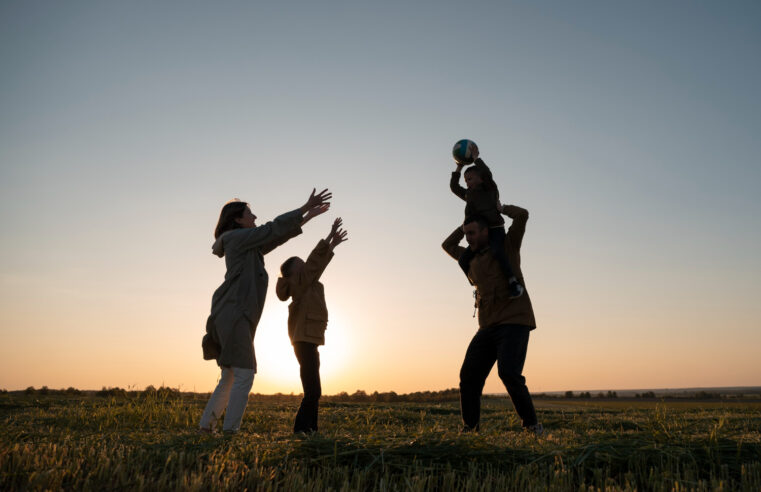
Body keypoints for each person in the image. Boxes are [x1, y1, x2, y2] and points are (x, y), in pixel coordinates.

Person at [199, 188, 332, 434]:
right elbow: (272, 229)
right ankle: (230, 432)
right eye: (250, 214)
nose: (255, 217)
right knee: (245, 373)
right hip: (234, 313)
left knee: (230, 373)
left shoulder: (248, 246)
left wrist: (308, 217)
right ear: (237, 220)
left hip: (234, 313)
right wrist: (304, 207)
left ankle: (206, 427)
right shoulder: (238, 239)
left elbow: (277, 236)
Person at [442, 208, 542, 435]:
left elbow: (523, 215)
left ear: (486, 232)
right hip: (487, 326)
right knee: (469, 376)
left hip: (515, 320)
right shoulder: (469, 256)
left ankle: (532, 426)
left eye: (473, 233)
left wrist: (499, 209)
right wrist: (463, 225)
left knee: (508, 372)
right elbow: (447, 245)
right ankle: (470, 428)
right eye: (466, 234)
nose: (468, 238)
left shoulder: (508, 246)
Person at [275, 217, 348, 433]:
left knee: (314, 391)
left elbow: (317, 266)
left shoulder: (306, 282)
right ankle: (301, 431)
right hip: (303, 340)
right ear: (292, 273)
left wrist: (332, 245)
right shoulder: (298, 284)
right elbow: (314, 265)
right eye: (301, 263)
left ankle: (310, 431)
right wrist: (328, 239)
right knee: (313, 390)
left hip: (309, 340)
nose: (305, 264)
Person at [450, 157, 524, 299]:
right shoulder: (469, 194)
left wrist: (476, 159)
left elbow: (487, 173)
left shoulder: (490, 189)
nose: (467, 183)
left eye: (470, 179)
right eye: (466, 181)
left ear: (481, 179)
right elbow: (454, 187)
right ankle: (478, 285)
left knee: (497, 251)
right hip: (480, 233)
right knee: (463, 260)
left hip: (495, 229)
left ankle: (513, 282)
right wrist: (458, 168)